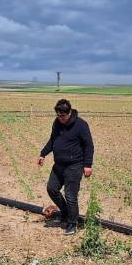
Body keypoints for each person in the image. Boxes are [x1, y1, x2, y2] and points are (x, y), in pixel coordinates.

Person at [37, 99, 94, 235]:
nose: (60, 118)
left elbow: (89, 146)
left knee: (70, 196)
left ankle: (72, 224)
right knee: (51, 189)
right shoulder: (57, 123)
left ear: (69, 113)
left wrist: (87, 165)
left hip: (74, 165)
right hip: (59, 164)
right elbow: (53, 140)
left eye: (63, 116)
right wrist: (43, 154)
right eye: (58, 115)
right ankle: (65, 214)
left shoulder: (81, 125)